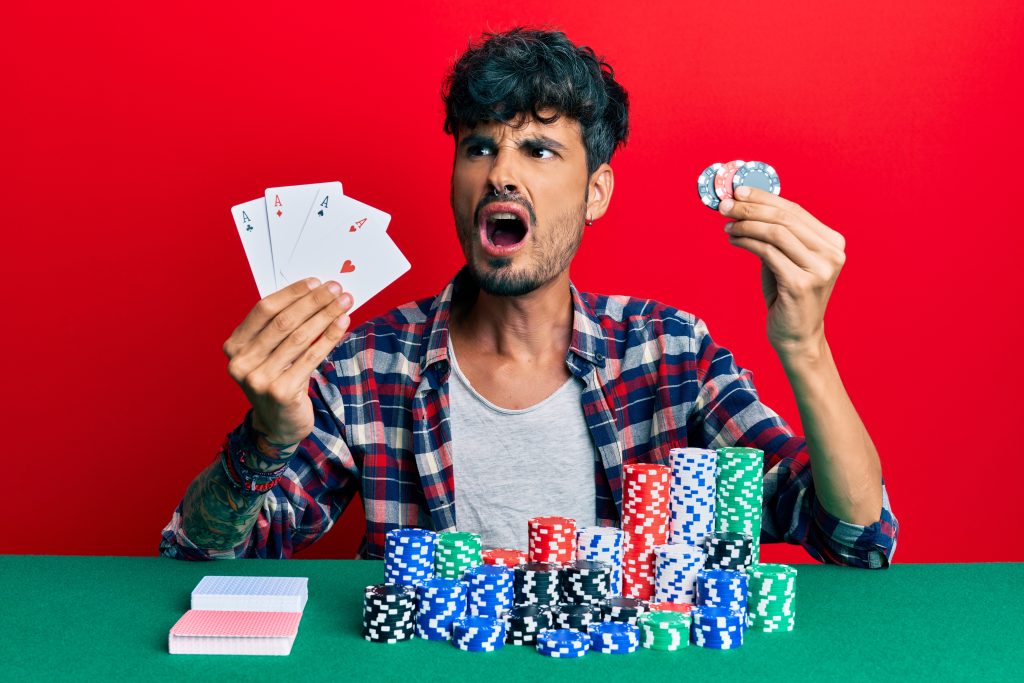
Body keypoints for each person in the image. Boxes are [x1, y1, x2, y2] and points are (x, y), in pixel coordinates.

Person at [160, 27, 898, 568]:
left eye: (539, 150)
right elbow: (201, 551)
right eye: (479, 147)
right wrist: (266, 436)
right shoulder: (364, 367)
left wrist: (807, 347)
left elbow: (855, 535)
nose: (500, 174)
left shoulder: (671, 355)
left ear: (596, 191)